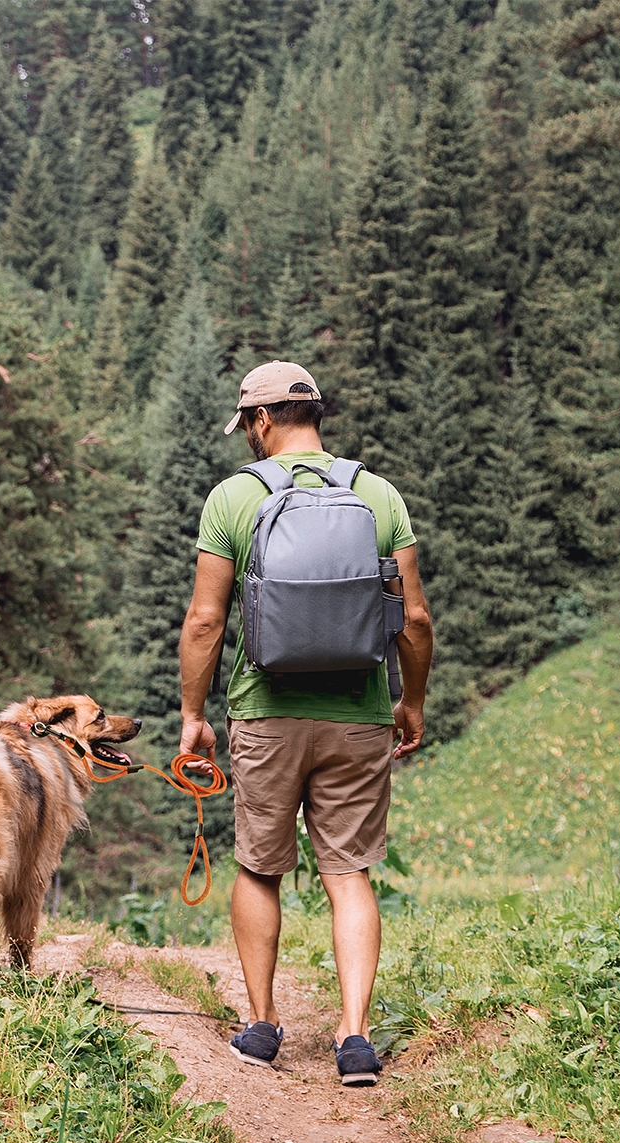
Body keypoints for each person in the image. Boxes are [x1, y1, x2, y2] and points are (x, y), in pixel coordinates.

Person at [177, 361, 433, 1087]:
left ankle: (261, 1027)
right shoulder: (377, 494)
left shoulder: (234, 497)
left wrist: (194, 715)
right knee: (349, 873)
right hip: (356, 717)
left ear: (261, 421)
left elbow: (205, 620)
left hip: (267, 713)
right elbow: (412, 618)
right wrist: (409, 701)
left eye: (247, 427)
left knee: (259, 865)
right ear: (315, 414)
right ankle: (354, 1040)